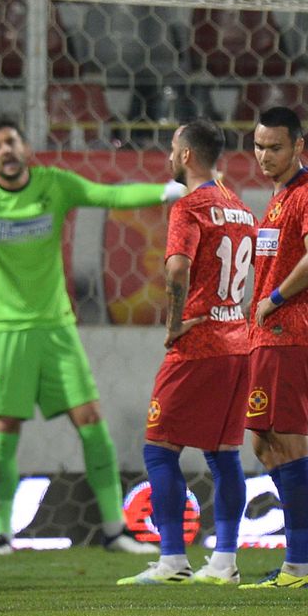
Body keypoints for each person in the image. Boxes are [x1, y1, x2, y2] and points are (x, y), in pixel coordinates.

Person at [0, 118, 187, 555]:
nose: (5, 150)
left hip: (57, 328)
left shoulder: (55, 185)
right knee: (5, 426)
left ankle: (114, 529)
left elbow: (110, 196)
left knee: (91, 421)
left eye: (11, 141)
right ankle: (3, 535)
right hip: (6, 331)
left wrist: (166, 192)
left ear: (25, 147)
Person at [117, 120, 255, 586]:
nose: (170, 156)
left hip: (197, 345)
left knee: (159, 450)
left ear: (188, 156)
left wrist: (175, 323)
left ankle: (173, 560)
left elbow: (178, 270)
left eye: (174, 149)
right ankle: (225, 561)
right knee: (224, 454)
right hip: (238, 340)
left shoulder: (190, 207)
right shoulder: (239, 207)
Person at [239, 106, 308, 590]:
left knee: (288, 441)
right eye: (258, 146)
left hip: (290, 331)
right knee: (262, 440)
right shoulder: (277, 199)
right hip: (267, 335)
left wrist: (274, 299)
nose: (264, 155)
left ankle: (297, 564)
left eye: (274, 147)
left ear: (298, 145)